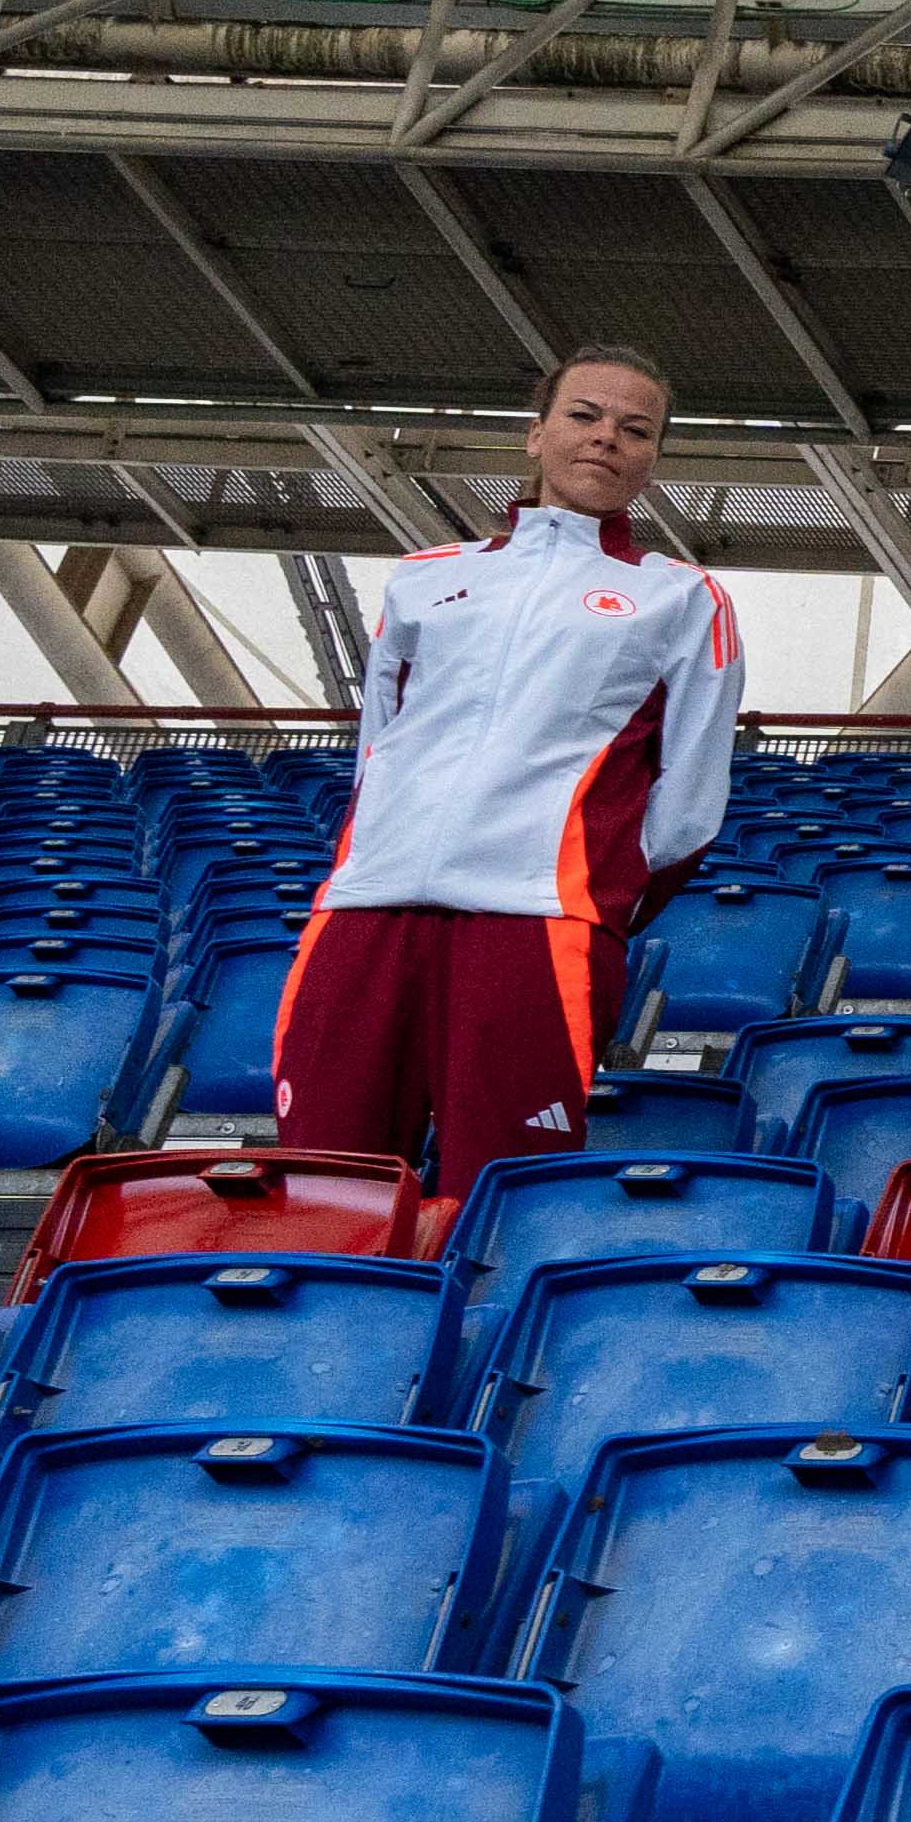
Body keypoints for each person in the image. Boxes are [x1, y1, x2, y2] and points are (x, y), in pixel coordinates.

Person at [272, 338, 742, 1191]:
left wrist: (591, 899)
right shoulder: (423, 578)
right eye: (585, 416)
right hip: (364, 913)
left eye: (636, 430)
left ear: (653, 460)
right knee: (323, 1190)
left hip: (536, 926)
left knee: (493, 1195)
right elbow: (378, 748)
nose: (606, 438)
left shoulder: (680, 597)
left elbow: (691, 802)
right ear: (536, 435)